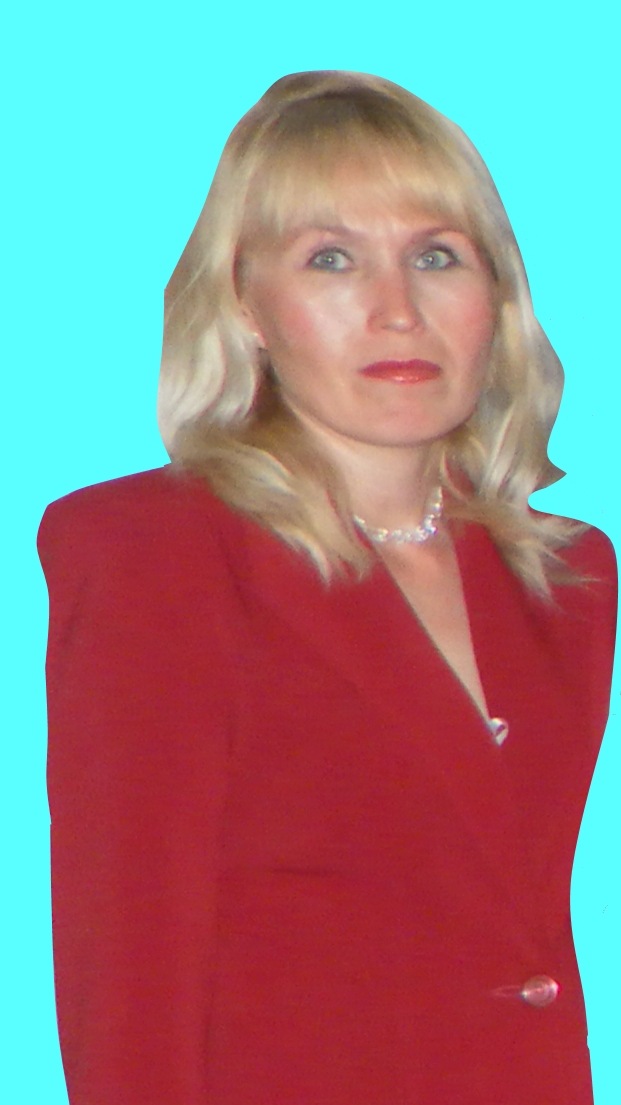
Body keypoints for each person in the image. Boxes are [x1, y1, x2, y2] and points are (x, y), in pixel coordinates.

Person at [38, 71, 617, 1105]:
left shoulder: (568, 574)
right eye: (331, 259)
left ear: (497, 296)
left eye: (436, 255)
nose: (397, 310)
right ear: (246, 304)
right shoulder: (153, 550)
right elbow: (127, 965)